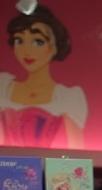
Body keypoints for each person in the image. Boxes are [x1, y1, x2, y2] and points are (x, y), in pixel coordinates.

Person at [0, 3, 85, 148]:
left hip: (50, 162)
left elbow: (77, 151)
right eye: (19, 40)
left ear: (55, 47)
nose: (26, 50)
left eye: (38, 42)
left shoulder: (67, 97)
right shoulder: (3, 86)